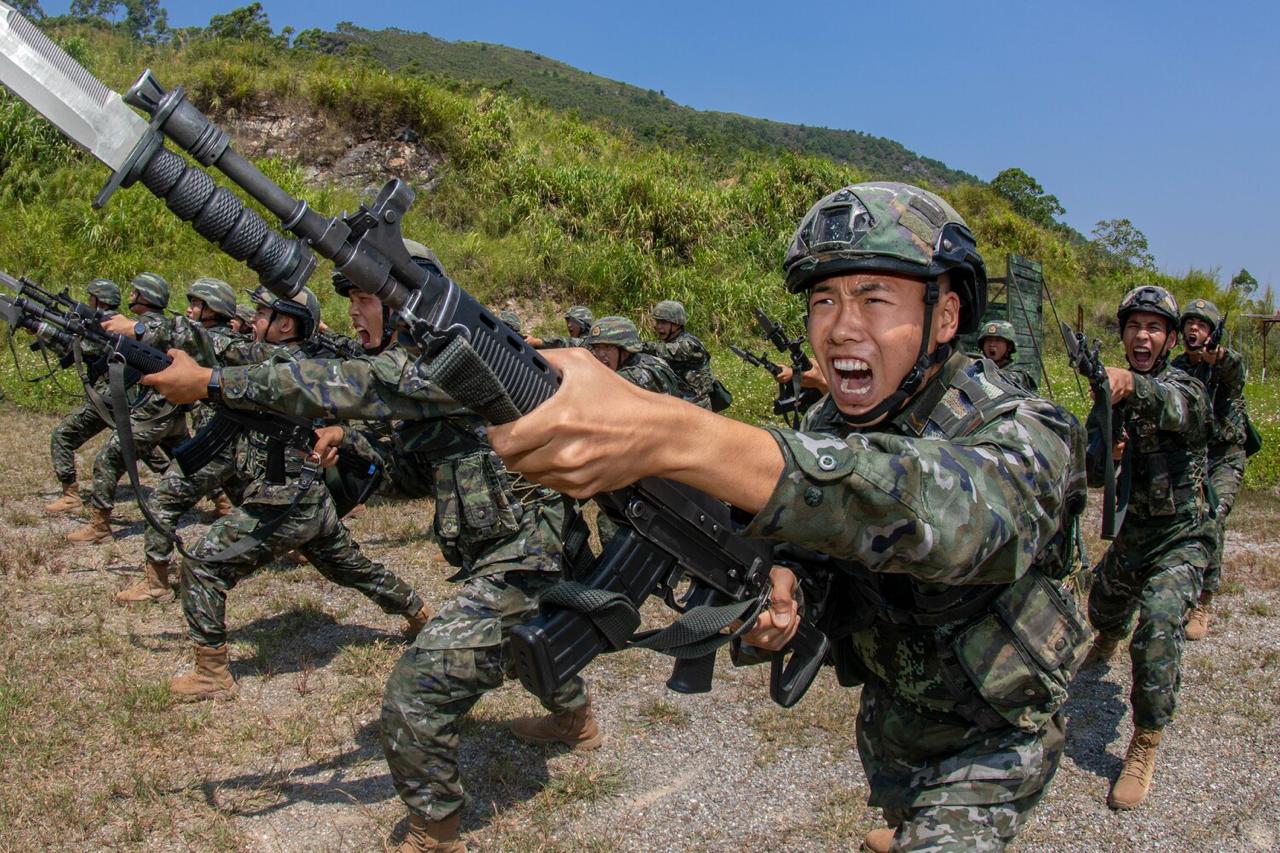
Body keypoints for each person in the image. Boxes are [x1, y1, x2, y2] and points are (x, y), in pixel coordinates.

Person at [489, 182, 1088, 851]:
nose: (841, 327)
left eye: (874, 298)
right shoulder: (829, 421)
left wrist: (679, 436)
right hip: (894, 713)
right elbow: (820, 548)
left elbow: (955, 516)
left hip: (997, 733)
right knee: (905, 812)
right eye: (824, 300)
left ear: (945, 317)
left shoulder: (1025, 427)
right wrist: (790, 591)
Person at [141, 242, 602, 853]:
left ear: (407, 307)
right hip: (512, 548)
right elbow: (412, 462)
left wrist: (211, 381)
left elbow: (347, 383)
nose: (354, 312)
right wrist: (352, 441)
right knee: (520, 641)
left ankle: (435, 836)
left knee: (416, 691)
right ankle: (575, 720)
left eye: (364, 298)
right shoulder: (426, 373)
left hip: (531, 551)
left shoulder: (453, 363)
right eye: (354, 299)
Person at [129, 285, 431, 701]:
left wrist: (140, 329)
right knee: (351, 568)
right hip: (306, 500)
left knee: (202, 563)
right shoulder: (282, 360)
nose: (252, 319)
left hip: (286, 503)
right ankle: (418, 612)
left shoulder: (289, 366)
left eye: (261, 312)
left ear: (285, 324)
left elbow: (220, 347)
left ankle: (212, 672)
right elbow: (225, 349)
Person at [1083, 285, 1212, 810]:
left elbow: (1180, 409)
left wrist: (1130, 385)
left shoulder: (1186, 383)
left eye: (1154, 327)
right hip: (1134, 531)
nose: (1142, 336)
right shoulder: (1110, 395)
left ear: (1170, 339)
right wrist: (1108, 452)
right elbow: (1093, 472)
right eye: (1134, 326)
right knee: (1101, 605)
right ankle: (1108, 636)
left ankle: (1145, 742)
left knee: (1158, 623)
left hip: (1182, 534)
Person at [113, 277, 246, 604]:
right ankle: (300, 548)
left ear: (213, 309)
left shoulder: (213, 340)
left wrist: (136, 329)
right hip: (232, 444)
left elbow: (180, 334)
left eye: (197, 304)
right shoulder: (221, 342)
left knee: (162, 501)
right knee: (260, 502)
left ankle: (156, 582)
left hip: (219, 447)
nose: (189, 309)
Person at [66, 273, 190, 544]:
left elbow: (156, 333)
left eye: (135, 292)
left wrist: (134, 328)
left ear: (146, 296)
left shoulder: (153, 327)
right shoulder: (144, 326)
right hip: (169, 409)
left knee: (108, 458)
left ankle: (100, 527)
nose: (130, 295)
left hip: (155, 410)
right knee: (192, 458)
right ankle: (224, 503)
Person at [1171, 298, 1247, 640]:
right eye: (1190, 323)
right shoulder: (1177, 367)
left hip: (1224, 458)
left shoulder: (1226, 364)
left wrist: (1218, 357)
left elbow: (1236, 371)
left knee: (1212, 516)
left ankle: (1203, 601)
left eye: (1202, 324)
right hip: (1192, 456)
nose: (1194, 328)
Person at [44, 277, 129, 514]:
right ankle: (218, 498)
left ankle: (70, 495)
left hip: (107, 398)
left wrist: (43, 330)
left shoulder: (104, 327)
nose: (88, 301)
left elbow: (74, 349)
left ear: (99, 300)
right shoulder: (118, 324)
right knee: (156, 448)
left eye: (91, 297)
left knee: (63, 436)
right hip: (124, 398)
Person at [641, 299, 715, 408]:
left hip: (696, 403)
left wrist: (636, 345)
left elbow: (665, 350)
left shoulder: (689, 343)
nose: (658, 326)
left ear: (676, 324)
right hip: (679, 399)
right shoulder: (671, 340)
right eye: (657, 322)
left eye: (663, 322)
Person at [584, 316, 680, 395]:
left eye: (607, 347)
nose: (600, 354)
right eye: (596, 347)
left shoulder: (632, 377)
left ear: (626, 350)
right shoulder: (648, 360)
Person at [977, 319, 1038, 392]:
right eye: (988, 340)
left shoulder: (1018, 376)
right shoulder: (976, 368)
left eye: (998, 340)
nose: (992, 344)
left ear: (1009, 347)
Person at [526, 305, 593, 349]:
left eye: (573, 321)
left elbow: (564, 342)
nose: (569, 325)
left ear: (583, 325)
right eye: (567, 321)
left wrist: (539, 342)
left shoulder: (590, 342)